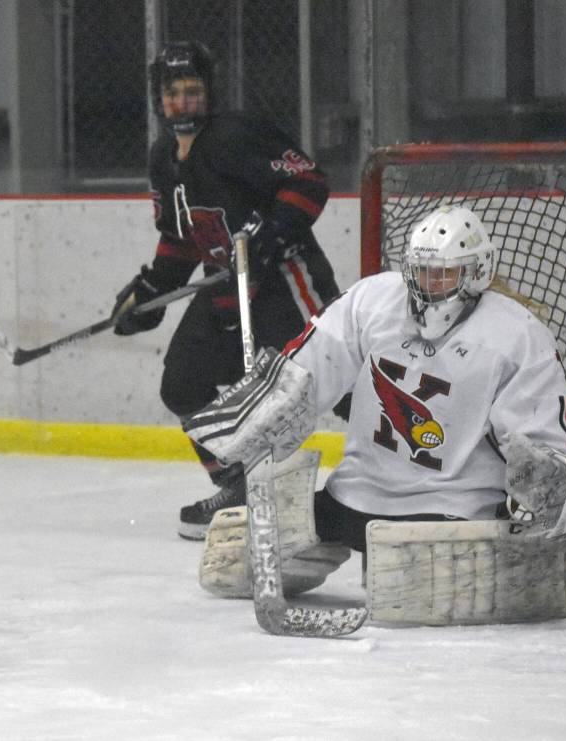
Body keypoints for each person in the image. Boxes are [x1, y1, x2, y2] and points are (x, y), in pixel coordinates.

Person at [184, 204, 566, 562]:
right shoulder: (374, 300)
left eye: (443, 274)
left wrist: (549, 479)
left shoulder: (515, 333)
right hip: (356, 498)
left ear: (476, 272)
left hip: (453, 512)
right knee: (231, 557)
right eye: (421, 272)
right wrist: (263, 416)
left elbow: (540, 436)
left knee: (401, 589)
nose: (429, 286)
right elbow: (308, 368)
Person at [110, 41, 344, 540]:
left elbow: (309, 182)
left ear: (209, 92)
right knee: (182, 384)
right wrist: (151, 291)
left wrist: (268, 234)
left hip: (285, 280)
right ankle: (238, 485)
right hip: (225, 291)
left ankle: (414, 468)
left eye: (193, 90)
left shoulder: (236, 135)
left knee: (336, 381)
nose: (183, 102)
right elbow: (181, 239)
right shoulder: (163, 157)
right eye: (173, 92)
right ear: (158, 98)